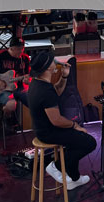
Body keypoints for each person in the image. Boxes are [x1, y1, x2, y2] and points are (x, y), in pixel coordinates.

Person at [27, 52, 96, 188]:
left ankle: (74, 178)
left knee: (75, 142)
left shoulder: (38, 83)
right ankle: (55, 166)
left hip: (42, 129)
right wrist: (75, 125)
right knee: (89, 142)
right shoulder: (44, 91)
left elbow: (56, 91)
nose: (55, 62)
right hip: (49, 132)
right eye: (52, 61)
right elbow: (57, 120)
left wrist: (64, 76)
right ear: (48, 68)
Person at [0, 38, 30, 127]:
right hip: (3, 89)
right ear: (11, 48)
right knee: (11, 105)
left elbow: (28, 75)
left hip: (19, 88)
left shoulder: (25, 59)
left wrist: (27, 80)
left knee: (34, 101)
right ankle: (6, 116)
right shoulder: (1, 57)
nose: (21, 51)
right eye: (18, 49)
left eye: (22, 48)